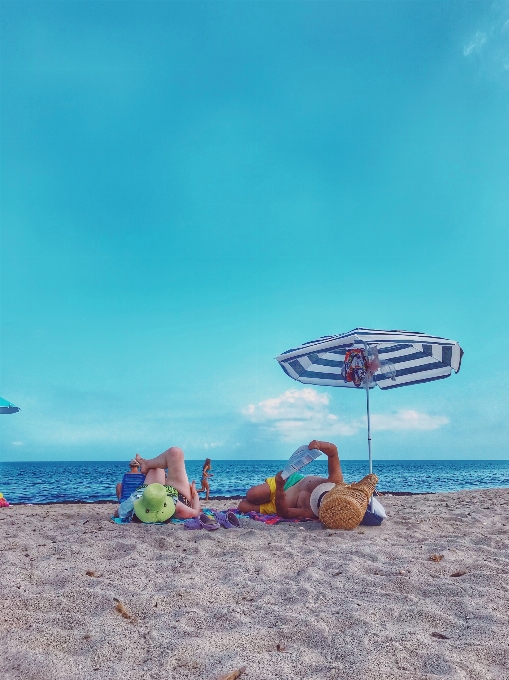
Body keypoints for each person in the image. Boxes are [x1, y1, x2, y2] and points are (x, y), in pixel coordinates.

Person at [238, 440, 344, 519]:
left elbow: (285, 513)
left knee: (242, 506)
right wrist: (319, 445)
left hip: (279, 504)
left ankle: (264, 500)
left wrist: (279, 488)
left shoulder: (313, 512)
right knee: (253, 494)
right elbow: (333, 451)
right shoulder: (335, 482)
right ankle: (263, 496)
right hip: (291, 482)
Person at [114, 446, 202, 522]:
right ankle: (148, 465)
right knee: (175, 453)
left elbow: (117, 513)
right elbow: (195, 512)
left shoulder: (134, 500)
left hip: (148, 491)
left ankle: (147, 464)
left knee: (157, 467)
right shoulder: (177, 506)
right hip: (175, 494)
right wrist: (195, 494)